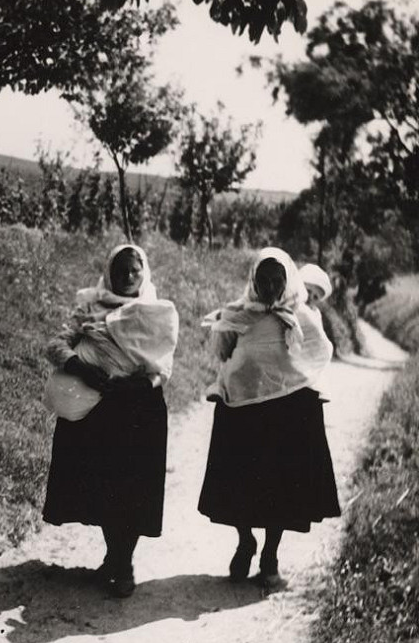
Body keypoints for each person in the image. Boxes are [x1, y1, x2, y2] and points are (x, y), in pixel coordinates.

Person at [198, 247, 340, 589]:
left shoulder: (300, 314)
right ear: (253, 280)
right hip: (243, 408)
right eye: (264, 279)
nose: (271, 287)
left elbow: (319, 353)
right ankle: (246, 540)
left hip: (287, 411)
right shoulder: (238, 313)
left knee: (280, 486)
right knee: (240, 481)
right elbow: (221, 353)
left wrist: (299, 384)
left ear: (288, 280)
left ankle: (270, 555)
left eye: (278, 280)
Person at [43, 244, 179, 598]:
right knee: (104, 486)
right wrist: (79, 367)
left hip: (139, 408)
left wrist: (140, 384)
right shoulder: (90, 307)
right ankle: (114, 556)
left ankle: (124, 561)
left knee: (133, 488)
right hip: (97, 405)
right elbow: (56, 344)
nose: (127, 277)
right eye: (120, 271)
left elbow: (163, 365)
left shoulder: (156, 311)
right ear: (108, 273)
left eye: (134, 270)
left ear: (144, 273)